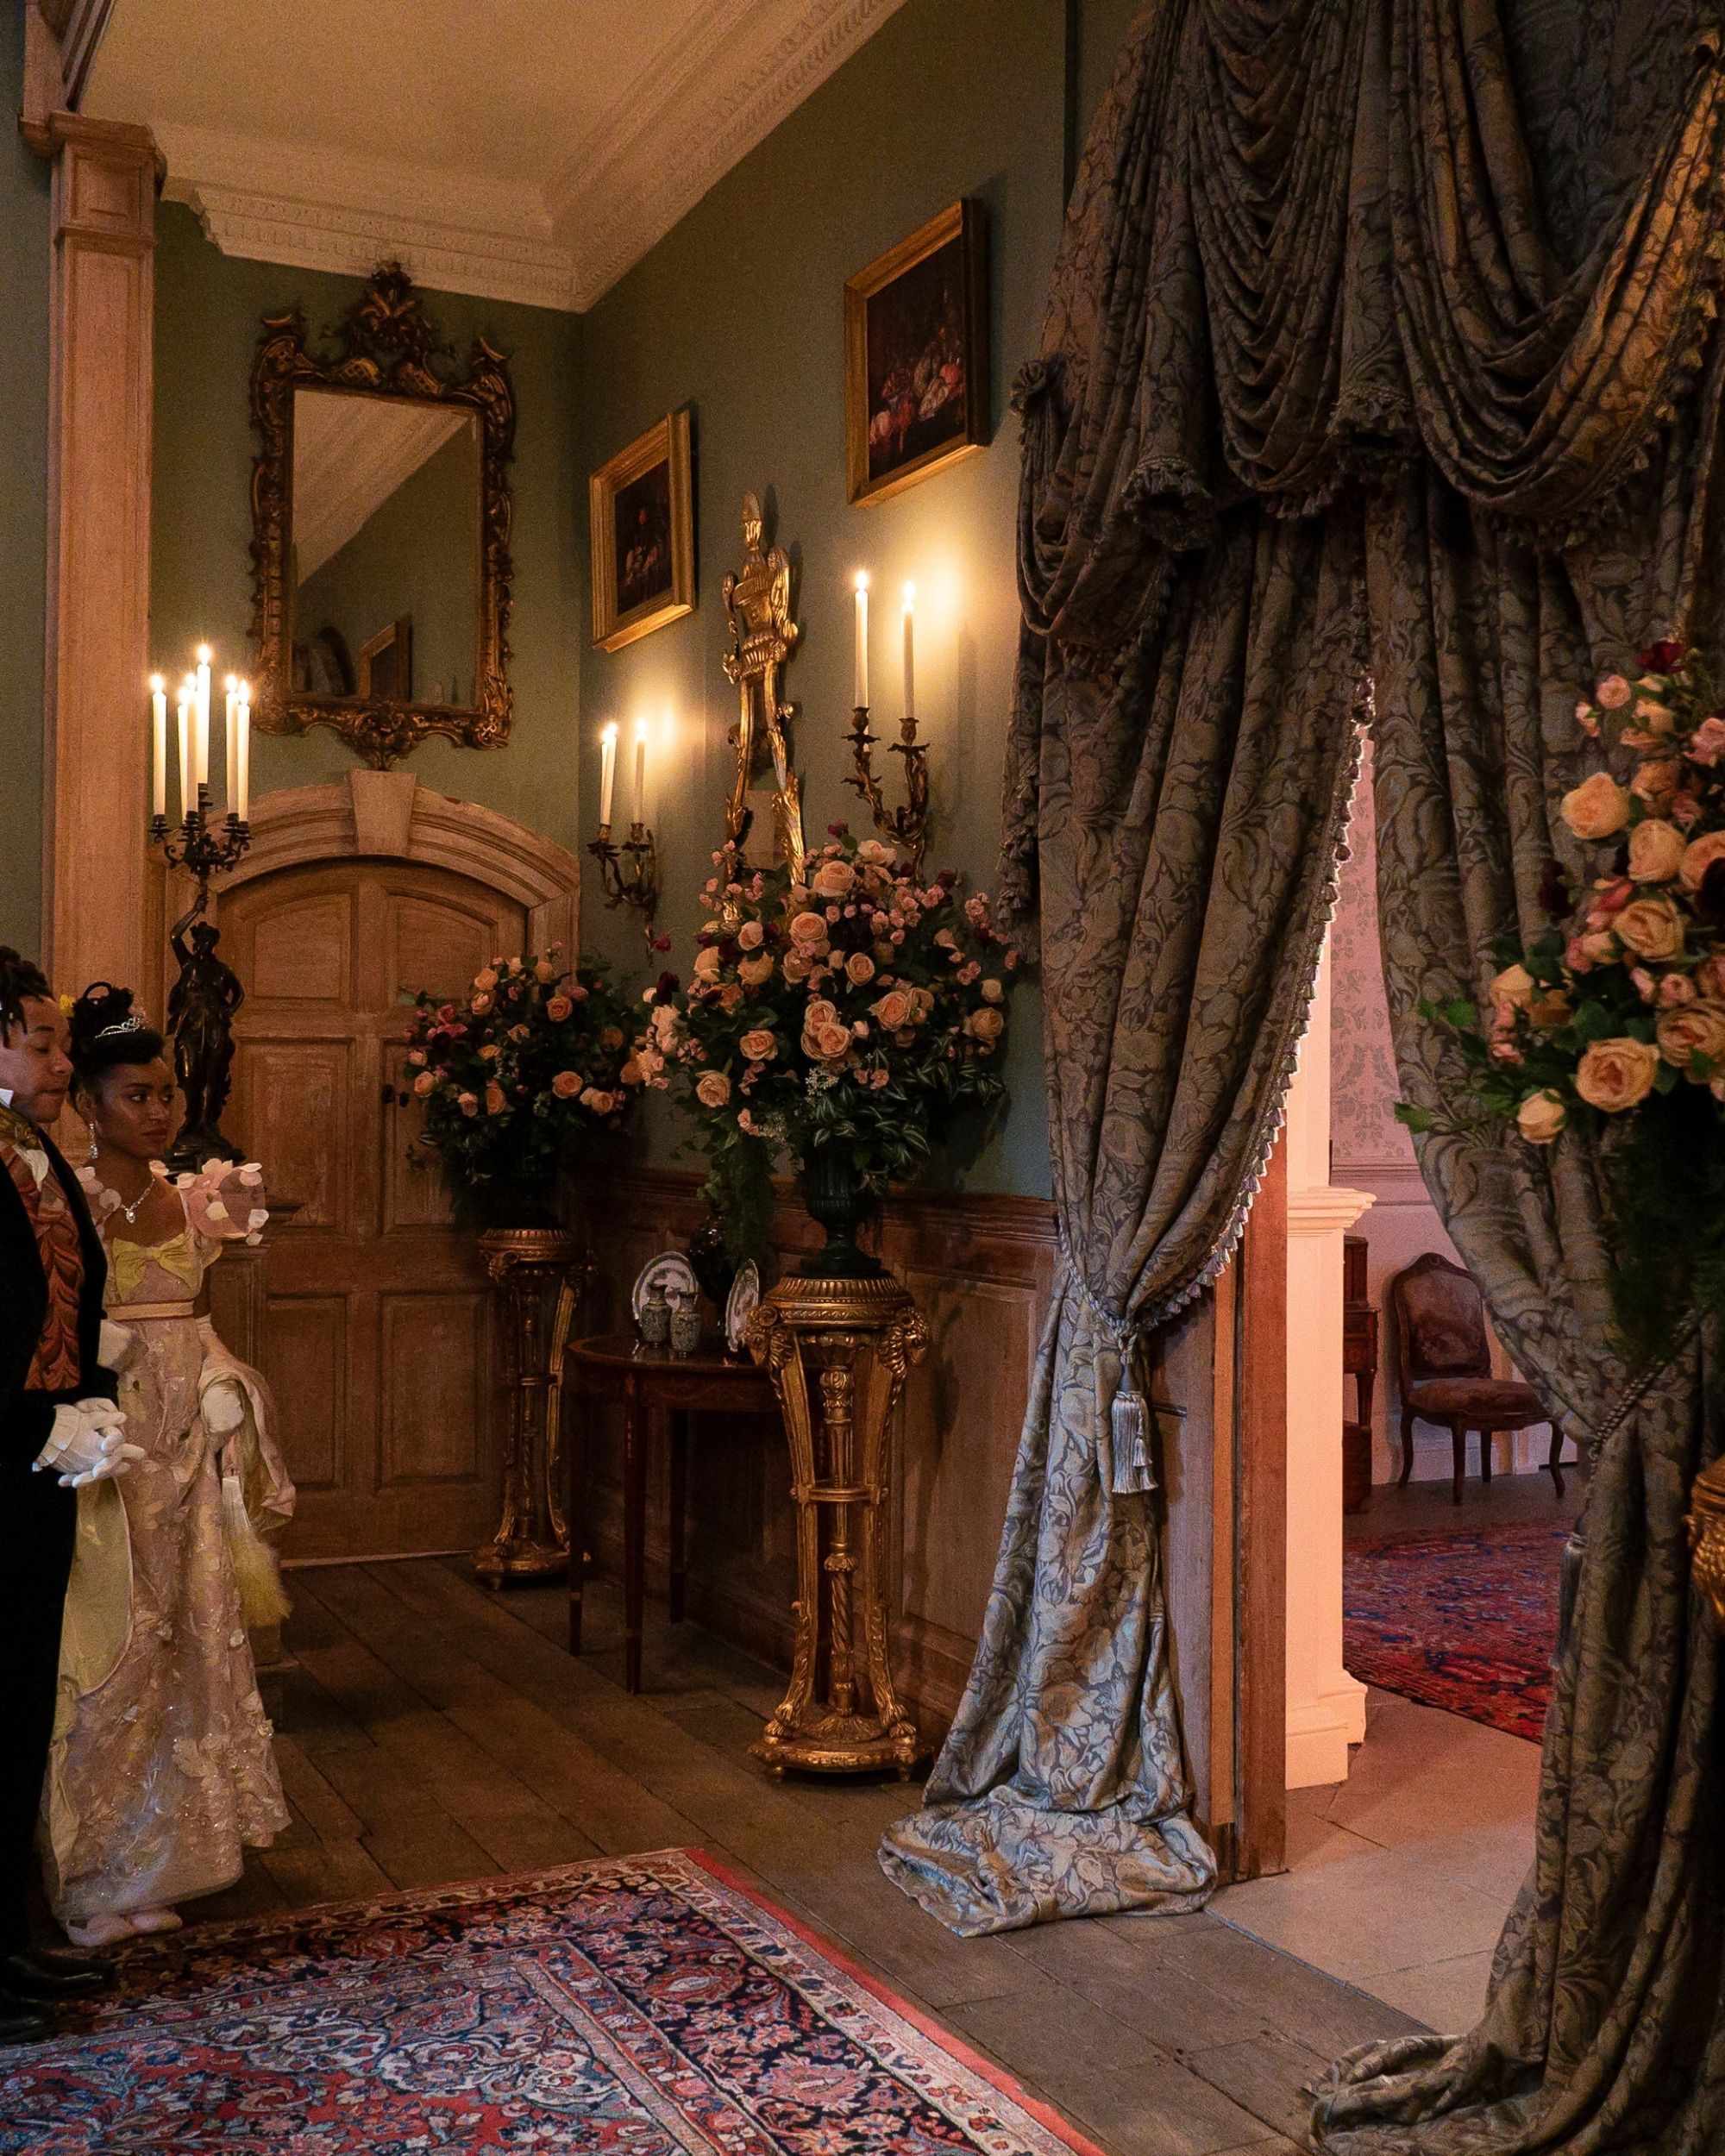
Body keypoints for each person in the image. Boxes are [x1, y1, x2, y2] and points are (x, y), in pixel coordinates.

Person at [41, 982, 293, 1946]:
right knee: (113, 1646)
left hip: (190, 1446)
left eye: (165, 1095)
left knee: (194, 1634)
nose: (158, 1111)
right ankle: (89, 1869)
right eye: (135, 1096)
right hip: (114, 1445)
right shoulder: (80, 1201)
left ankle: (172, 1854)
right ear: (90, 1103)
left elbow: (200, 1324)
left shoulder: (199, 1200)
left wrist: (232, 1388)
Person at [0, 949, 139, 2046]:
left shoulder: (35, 1148)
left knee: (17, 1710)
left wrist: (91, 1395)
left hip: (39, 1467)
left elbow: (71, 1286)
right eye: (40, 1041)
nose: (59, 1061)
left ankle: (15, 1933)